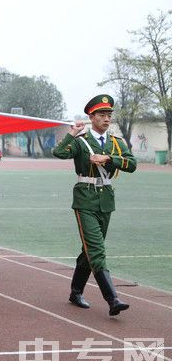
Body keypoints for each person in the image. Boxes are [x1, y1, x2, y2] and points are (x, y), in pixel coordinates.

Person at [53, 94, 136, 316]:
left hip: (106, 200)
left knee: (89, 250)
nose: (107, 119)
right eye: (102, 115)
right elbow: (59, 153)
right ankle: (112, 299)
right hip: (85, 199)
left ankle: (76, 291)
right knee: (97, 250)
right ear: (91, 117)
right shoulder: (81, 142)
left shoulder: (116, 143)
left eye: (109, 115)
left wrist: (108, 159)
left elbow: (132, 164)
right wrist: (71, 134)